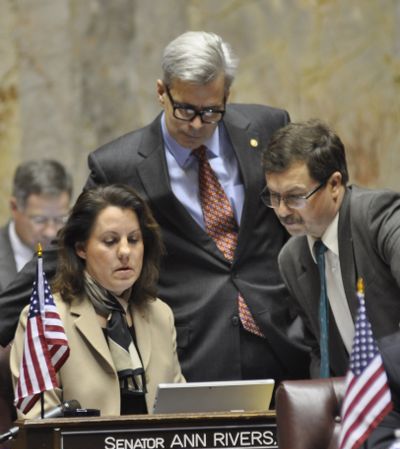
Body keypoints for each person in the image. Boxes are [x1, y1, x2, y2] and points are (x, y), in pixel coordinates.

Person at [1, 31, 309, 386]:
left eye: (211, 111)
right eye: (185, 110)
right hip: (195, 351)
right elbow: (65, 249)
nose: (197, 124)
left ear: (227, 95)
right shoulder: (121, 164)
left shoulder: (268, 126)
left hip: (283, 338)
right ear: (162, 92)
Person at [10, 184, 184, 418]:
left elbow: (182, 412)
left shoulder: (160, 314)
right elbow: (39, 425)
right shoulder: (47, 320)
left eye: (133, 239)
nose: (125, 251)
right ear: (81, 248)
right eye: (110, 241)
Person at [261, 119, 400, 378]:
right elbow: (318, 350)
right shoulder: (291, 259)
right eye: (274, 196)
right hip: (360, 409)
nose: (281, 210)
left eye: (294, 196)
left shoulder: (378, 217)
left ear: (334, 185)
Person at [0, 159, 72, 293]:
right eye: (40, 220)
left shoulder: (76, 255)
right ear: (14, 207)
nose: (51, 232)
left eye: (60, 219)